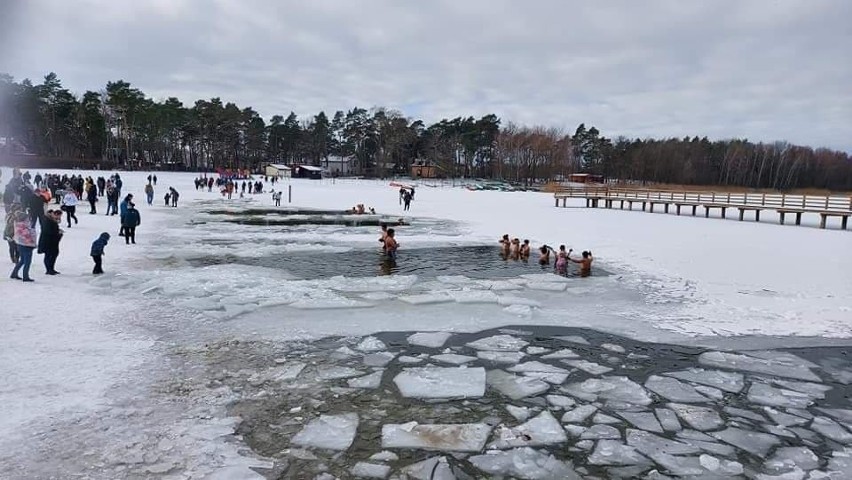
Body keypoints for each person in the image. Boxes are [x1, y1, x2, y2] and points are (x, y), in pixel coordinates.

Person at [10, 210, 37, 282]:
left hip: (20, 244)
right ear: (24, 219)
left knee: (22, 261)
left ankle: (14, 273)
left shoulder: (17, 224)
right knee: (27, 262)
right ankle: (25, 276)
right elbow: (28, 236)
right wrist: (33, 233)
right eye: (27, 218)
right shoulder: (23, 226)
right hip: (27, 245)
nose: (28, 219)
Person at [38, 209, 63, 275]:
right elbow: (48, 231)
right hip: (48, 241)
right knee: (49, 255)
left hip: (53, 241)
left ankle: (51, 268)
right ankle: (49, 269)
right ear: (55, 214)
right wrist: (58, 233)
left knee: (54, 254)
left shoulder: (51, 220)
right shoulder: (47, 220)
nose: (59, 218)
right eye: (59, 216)